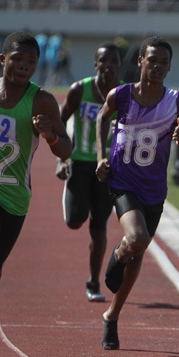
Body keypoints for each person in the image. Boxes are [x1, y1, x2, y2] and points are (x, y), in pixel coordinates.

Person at [0, 31, 72, 357]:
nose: (24, 66)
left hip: (16, 195)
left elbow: (66, 148)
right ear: (3, 59)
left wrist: (50, 134)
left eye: (31, 62)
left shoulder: (42, 101)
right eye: (18, 59)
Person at [95, 36, 179, 350]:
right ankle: (117, 256)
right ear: (140, 61)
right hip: (123, 181)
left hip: (155, 190)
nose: (158, 67)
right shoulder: (121, 95)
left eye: (164, 62)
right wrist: (101, 156)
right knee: (136, 240)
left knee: (137, 253)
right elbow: (102, 116)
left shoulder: (178, 101)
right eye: (153, 60)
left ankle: (112, 315)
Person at [57, 42, 122, 302]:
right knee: (74, 221)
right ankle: (72, 196)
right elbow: (60, 119)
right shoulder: (79, 90)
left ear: (119, 65)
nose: (108, 66)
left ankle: (94, 282)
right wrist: (61, 158)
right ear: (95, 64)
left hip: (108, 167)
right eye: (103, 60)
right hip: (81, 162)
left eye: (113, 61)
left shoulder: (124, 94)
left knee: (99, 227)